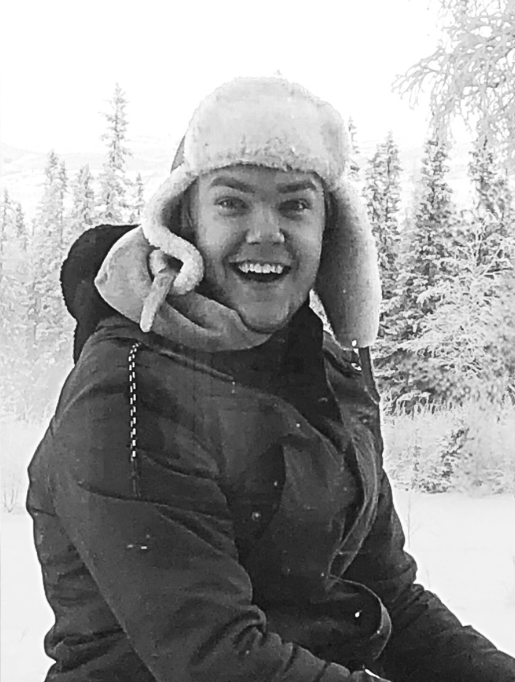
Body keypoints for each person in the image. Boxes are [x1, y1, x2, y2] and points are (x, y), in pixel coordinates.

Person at [26, 77, 515, 682]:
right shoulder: (127, 393)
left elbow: (387, 596)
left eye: (294, 205)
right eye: (232, 203)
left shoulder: (327, 377)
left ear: (330, 233)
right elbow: (217, 656)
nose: (266, 231)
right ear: (184, 226)